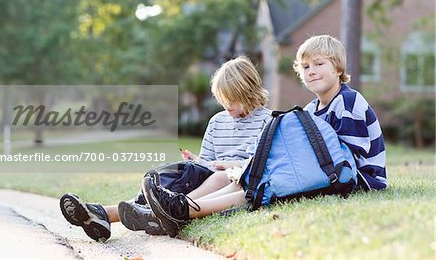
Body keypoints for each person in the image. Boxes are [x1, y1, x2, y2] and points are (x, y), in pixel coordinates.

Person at [142, 34, 387, 237]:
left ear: (338, 68)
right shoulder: (312, 109)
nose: (311, 71)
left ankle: (185, 210)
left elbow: (350, 160)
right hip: (331, 174)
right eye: (305, 67)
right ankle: (181, 208)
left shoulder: (348, 100)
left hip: (358, 181)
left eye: (319, 64)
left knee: (265, 186)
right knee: (251, 180)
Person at [59, 56, 271, 242]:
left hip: (234, 178)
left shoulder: (268, 122)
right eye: (223, 100)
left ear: (248, 90)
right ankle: (102, 214)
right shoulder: (217, 121)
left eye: (232, 99)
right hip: (210, 175)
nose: (227, 106)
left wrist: (231, 164)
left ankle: (162, 212)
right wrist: (196, 160)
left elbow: (267, 164)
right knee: (171, 173)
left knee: (219, 177)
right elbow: (207, 160)